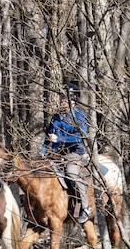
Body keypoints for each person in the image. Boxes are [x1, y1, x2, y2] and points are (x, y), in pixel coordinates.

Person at [39, 81, 91, 223]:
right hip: (57, 153)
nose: (61, 100)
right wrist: (43, 151)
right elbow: (50, 135)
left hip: (75, 152)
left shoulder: (79, 115)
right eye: (61, 97)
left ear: (72, 98)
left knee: (71, 174)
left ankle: (85, 207)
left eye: (64, 97)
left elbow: (80, 136)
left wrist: (59, 138)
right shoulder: (56, 116)